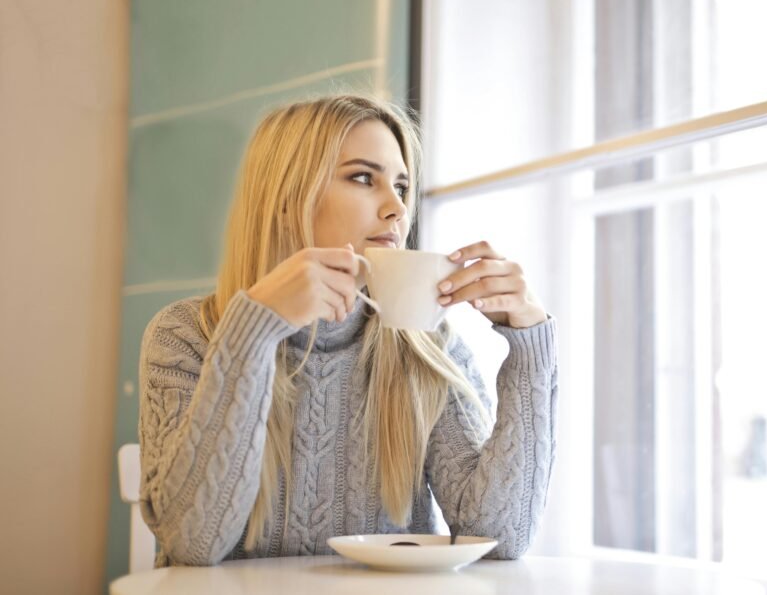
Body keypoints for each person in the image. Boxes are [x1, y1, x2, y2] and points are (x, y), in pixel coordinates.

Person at [137, 94, 557, 567]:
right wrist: (252, 332)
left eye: (401, 185)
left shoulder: (427, 351)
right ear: (285, 199)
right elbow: (191, 543)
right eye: (363, 178)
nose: (397, 208)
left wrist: (530, 348)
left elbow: (499, 536)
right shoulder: (185, 337)